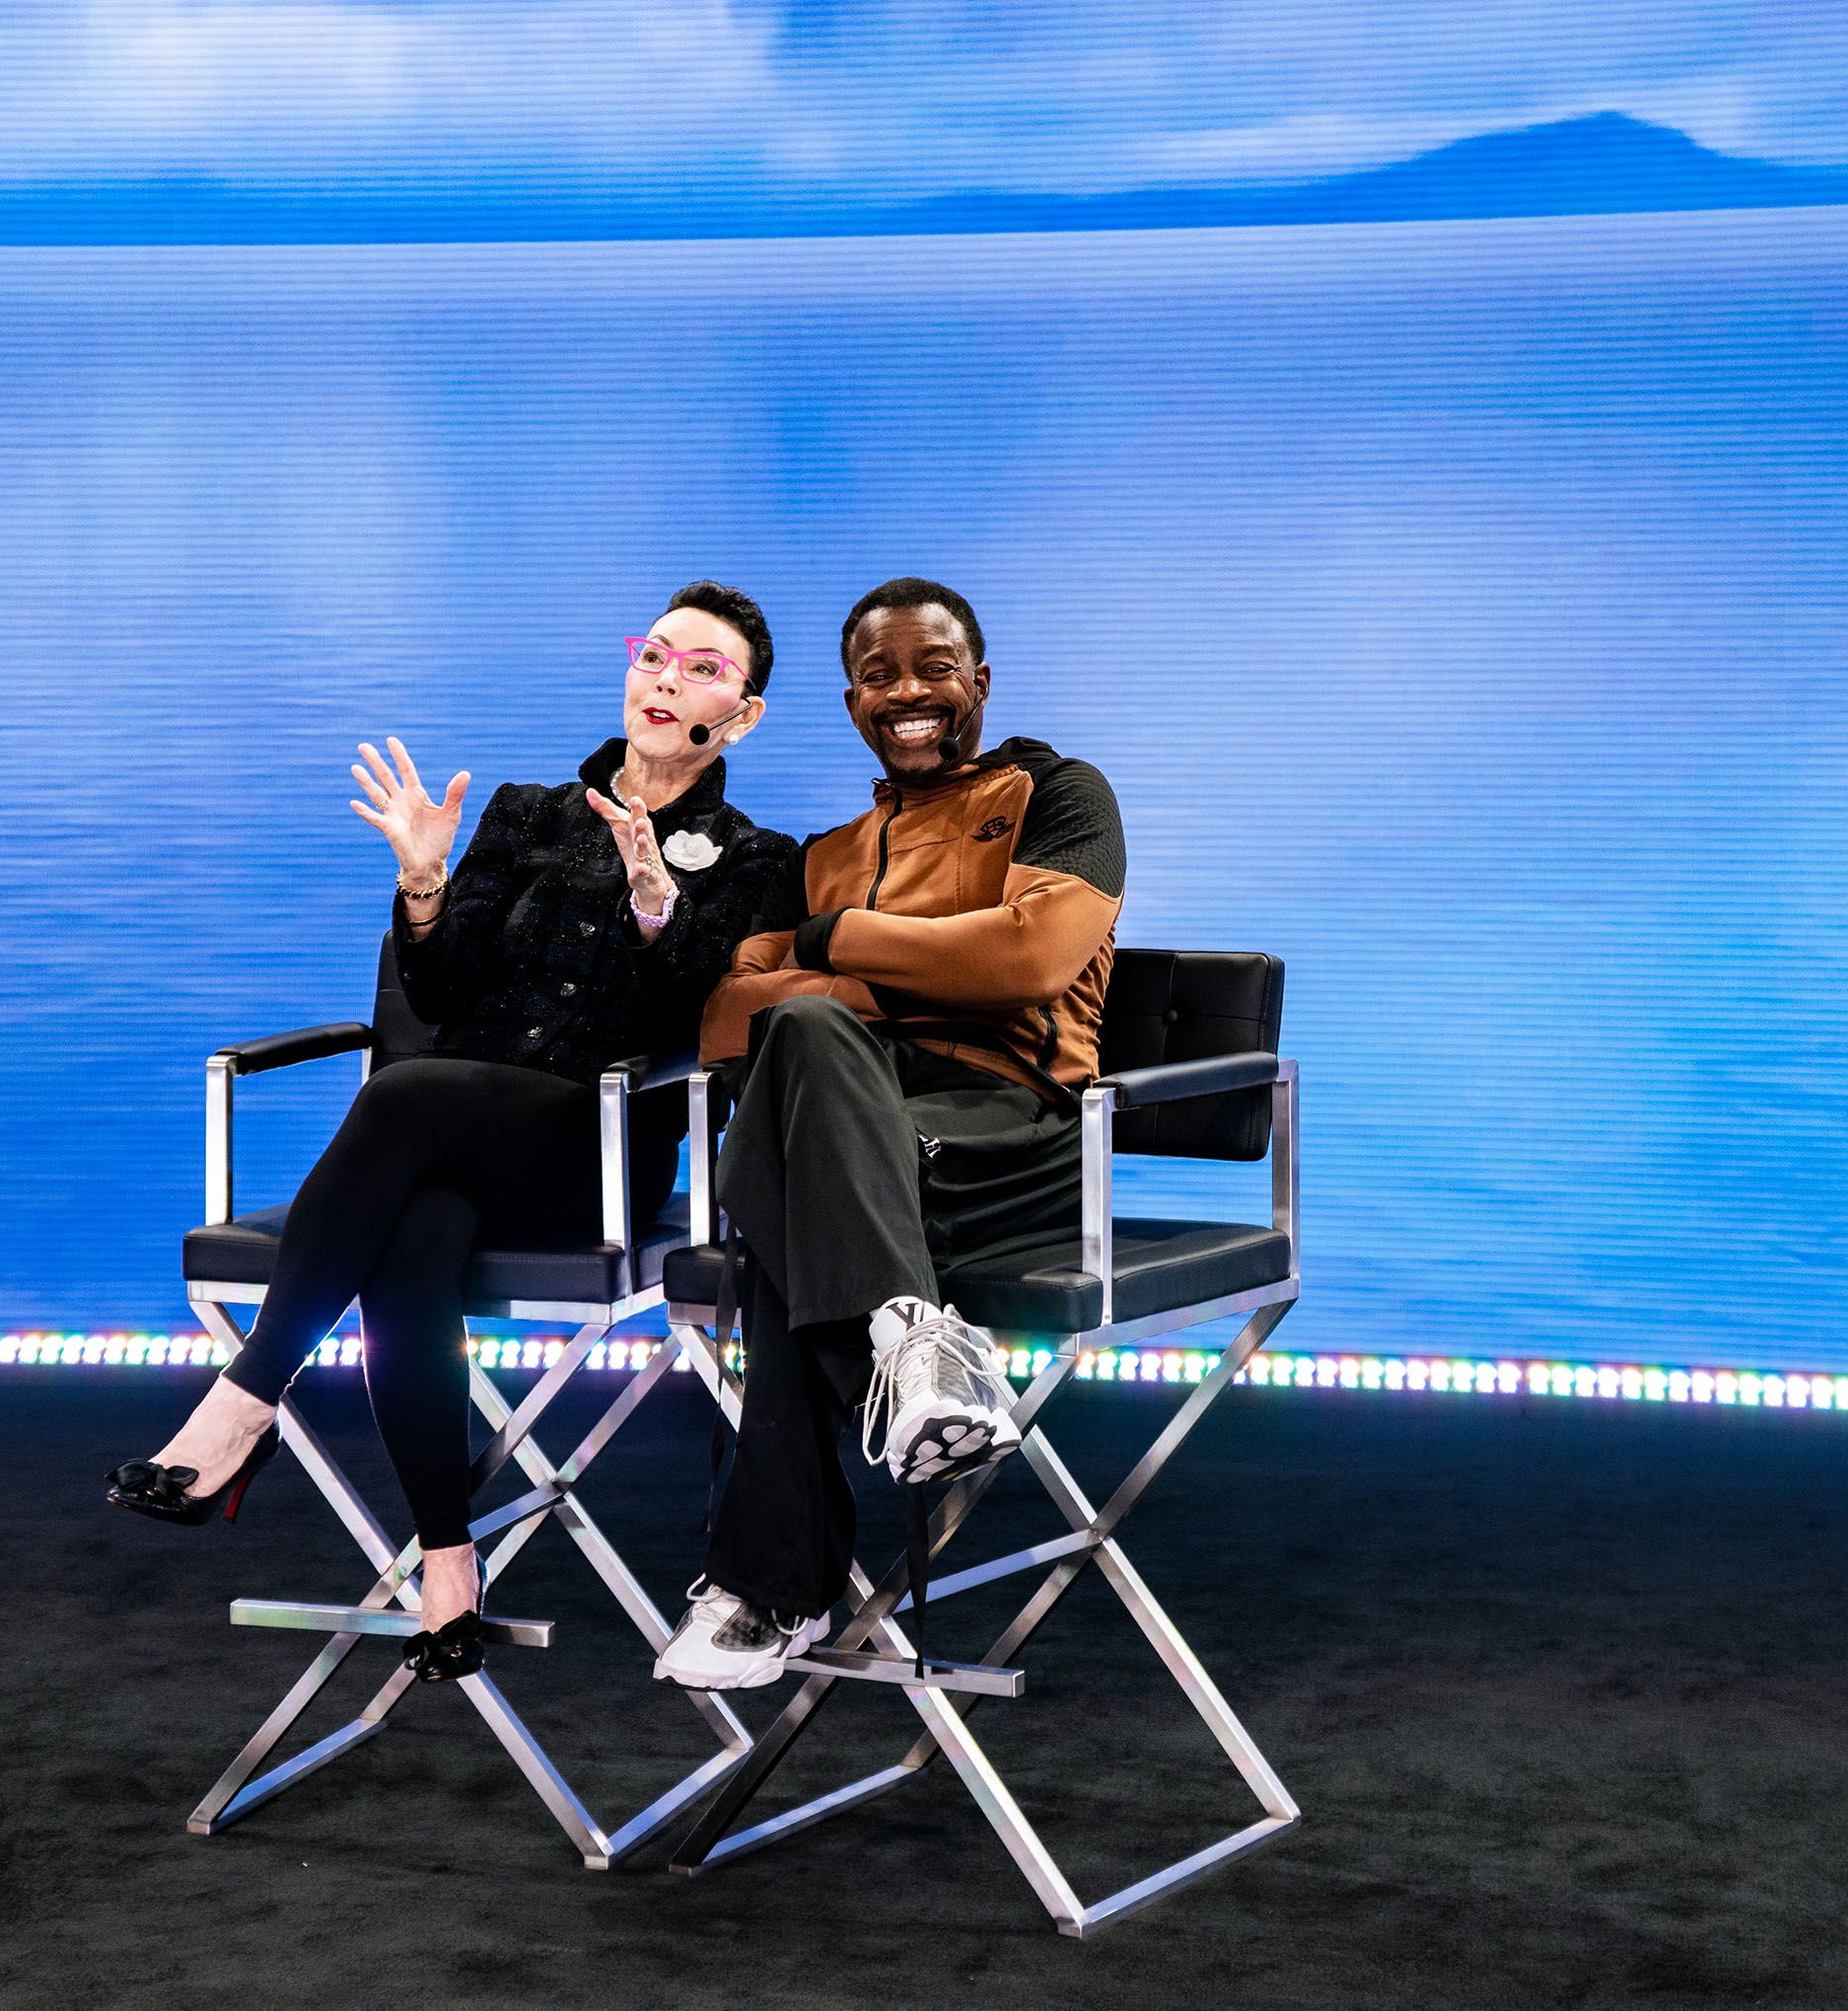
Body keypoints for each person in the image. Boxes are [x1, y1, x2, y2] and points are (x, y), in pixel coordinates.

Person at [108, 582, 801, 1685]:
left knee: (402, 1094)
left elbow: (703, 1024)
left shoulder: (762, 856)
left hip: (596, 1149)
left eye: (702, 668)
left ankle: (245, 1400)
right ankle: (448, 1560)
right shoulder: (528, 810)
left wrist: (658, 902)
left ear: (744, 713)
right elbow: (444, 983)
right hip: (449, 1136)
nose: (666, 678)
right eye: (655, 654)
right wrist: (425, 884)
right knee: (416, 1230)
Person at [653, 576, 1126, 1690]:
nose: (907, 692)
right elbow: (727, 1017)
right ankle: (916, 1342)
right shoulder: (821, 846)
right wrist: (914, 970)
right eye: (877, 675)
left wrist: (831, 943)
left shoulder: (1056, 792)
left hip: (1013, 1135)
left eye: (932, 668)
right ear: (851, 697)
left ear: (980, 682)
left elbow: (1029, 960)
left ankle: (767, 1588)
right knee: (803, 1051)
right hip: (860, 1127)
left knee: (790, 1169)